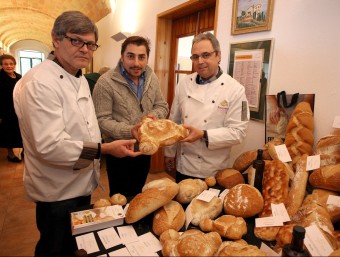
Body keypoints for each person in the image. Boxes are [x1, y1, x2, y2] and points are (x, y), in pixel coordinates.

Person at [13, 11, 141, 257]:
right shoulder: (40, 82)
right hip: (57, 190)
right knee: (54, 246)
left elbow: (84, 125)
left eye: (90, 44)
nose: (85, 49)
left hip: (81, 181)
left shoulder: (78, 77)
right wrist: (104, 149)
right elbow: (49, 146)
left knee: (75, 245)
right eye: (76, 41)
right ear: (56, 39)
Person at [163, 32, 250, 182]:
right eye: (195, 57)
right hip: (183, 165)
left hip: (213, 170)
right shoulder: (184, 83)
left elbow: (239, 132)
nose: (200, 61)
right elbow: (174, 121)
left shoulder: (237, 90)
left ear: (218, 56)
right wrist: (169, 152)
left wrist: (204, 134)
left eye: (206, 55)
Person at [92, 36, 169, 197]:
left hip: (145, 150)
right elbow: (101, 120)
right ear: (122, 56)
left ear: (147, 58)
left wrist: (151, 118)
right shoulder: (105, 82)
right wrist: (131, 131)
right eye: (130, 56)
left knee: (138, 195)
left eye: (142, 57)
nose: (136, 63)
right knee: (119, 199)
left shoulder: (151, 77)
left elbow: (162, 105)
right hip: (119, 151)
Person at [0, 54, 23, 162]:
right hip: (6, 110)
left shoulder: (19, 76)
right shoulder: (0, 77)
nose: (9, 66)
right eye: (6, 64)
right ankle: (10, 154)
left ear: (14, 64)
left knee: (21, 130)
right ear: (1, 65)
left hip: (19, 108)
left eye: (11, 64)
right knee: (9, 132)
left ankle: (24, 150)